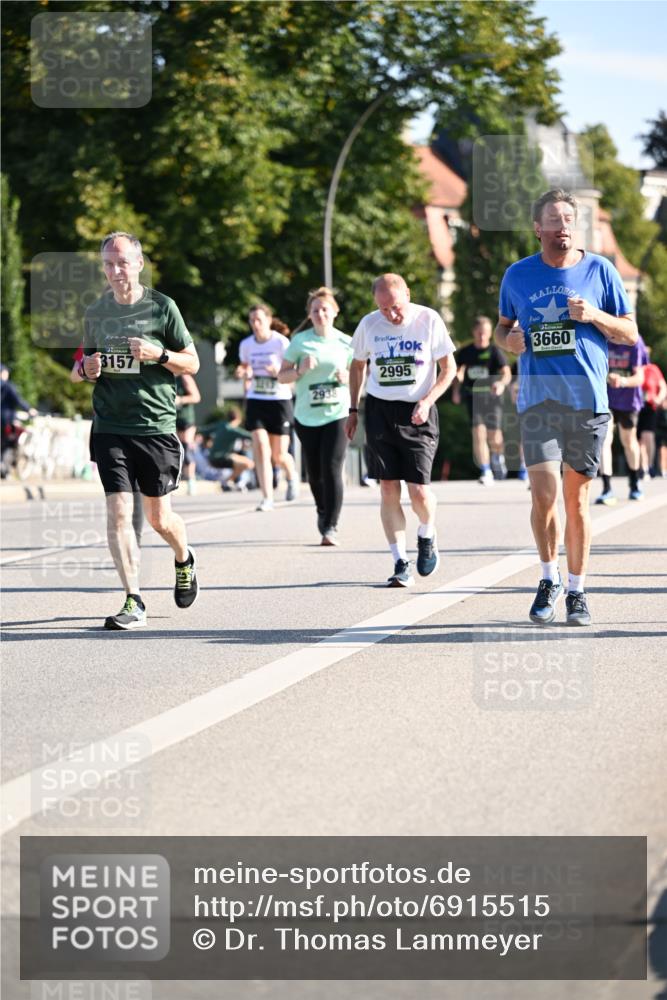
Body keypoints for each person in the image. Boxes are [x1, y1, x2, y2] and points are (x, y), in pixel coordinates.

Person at [496, 188, 638, 627]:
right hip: (539, 402)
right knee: (544, 495)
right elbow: (503, 329)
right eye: (554, 220)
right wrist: (509, 341)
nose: (562, 227)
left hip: (587, 403)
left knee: (576, 501)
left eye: (568, 220)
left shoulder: (601, 271)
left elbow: (630, 333)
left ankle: (577, 590)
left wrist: (594, 315)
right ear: (537, 228)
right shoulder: (518, 275)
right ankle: (548, 577)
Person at [81, 230, 200, 630]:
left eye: (122, 262)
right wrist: (86, 369)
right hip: (110, 425)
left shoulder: (163, 308)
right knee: (118, 511)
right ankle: (133, 599)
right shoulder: (96, 312)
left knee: (159, 518)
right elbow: (80, 364)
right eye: (108, 264)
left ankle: (184, 558)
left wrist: (159, 354)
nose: (116, 271)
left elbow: (193, 364)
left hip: (155, 426)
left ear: (139, 263)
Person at [346, 273, 456, 586]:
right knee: (388, 487)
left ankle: (427, 532)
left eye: (395, 307)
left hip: (418, 410)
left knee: (419, 490)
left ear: (407, 294)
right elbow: (357, 366)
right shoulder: (369, 324)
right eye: (383, 309)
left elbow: (449, 370)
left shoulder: (429, 319)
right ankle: (400, 561)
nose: (391, 315)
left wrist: (427, 401)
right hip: (380, 409)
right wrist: (353, 409)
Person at [279, 286, 352, 545]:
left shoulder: (346, 342)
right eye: (315, 310)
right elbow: (281, 376)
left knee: (332, 467)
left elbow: (362, 376)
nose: (320, 314)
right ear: (309, 315)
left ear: (335, 312)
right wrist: (299, 369)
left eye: (325, 309)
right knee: (314, 472)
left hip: (338, 413)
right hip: (307, 416)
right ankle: (322, 510)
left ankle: (331, 525)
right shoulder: (300, 341)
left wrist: (348, 377)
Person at [70, 345, 143, 547]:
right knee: (120, 488)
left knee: (136, 487)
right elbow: (75, 374)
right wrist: (86, 370)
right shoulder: (97, 332)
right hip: (108, 422)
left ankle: (134, 542)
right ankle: (129, 545)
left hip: (142, 421)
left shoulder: (147, 330)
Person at [235, 304, 298, 511]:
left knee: (278, 456)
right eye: (251, 320)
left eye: (259, 320)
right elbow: (244, 367)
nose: (255, 324)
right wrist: (242, 373)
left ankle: (291, 475)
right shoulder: (246, 344)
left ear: (269, 320)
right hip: (256, 400)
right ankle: (267, 497)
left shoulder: (281, 342)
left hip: (279, 400)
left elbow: (292, 377)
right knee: (261, 447)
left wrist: (276, 373)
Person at [452, 315, 512, 483]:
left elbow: (506, 373)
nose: (482, 336)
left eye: (485, 332)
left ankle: (497, 457)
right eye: (479, 332)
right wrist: (456, 389)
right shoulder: (465, 352)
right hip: (473, 397)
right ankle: (486, 471)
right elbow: (457, 372)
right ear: (474, 332)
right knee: (478, 433)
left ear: (490, 333)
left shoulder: (495, 352)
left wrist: (500, 384)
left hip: (492, 398)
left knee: (494, 436)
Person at [596, 333, 648, 504]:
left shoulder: (634, 339)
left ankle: (634, 483)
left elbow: (640, 377)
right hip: (606, 399)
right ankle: (607, 488)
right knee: (605, 439)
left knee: (628, 441)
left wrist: (622, 381)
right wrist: (607, 378)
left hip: (629, 400)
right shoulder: (601, 337)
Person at [1, 364, 38, 475]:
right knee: (10, 441)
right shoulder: (8, 386)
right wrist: (29, 409)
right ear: (3, 373)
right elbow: (18, 400)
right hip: (5, 419)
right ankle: (6, 466)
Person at [637, 347, 667, 478]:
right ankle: (642, 468)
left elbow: (663, 387)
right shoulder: (635, 367)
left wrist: (659, 399)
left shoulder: (653, 369)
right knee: (638, 439)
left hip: (650, 407)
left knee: (647, 436)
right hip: (634, 407)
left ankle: (649, 466)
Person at [175, 373, 201, 495]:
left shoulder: (184, 377)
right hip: (171, 419)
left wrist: (180, 399)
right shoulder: (163, 374)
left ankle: (191, 480)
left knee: (186, 448)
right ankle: (176, 480)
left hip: (186, 419)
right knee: (174, 450)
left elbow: (196, 397)